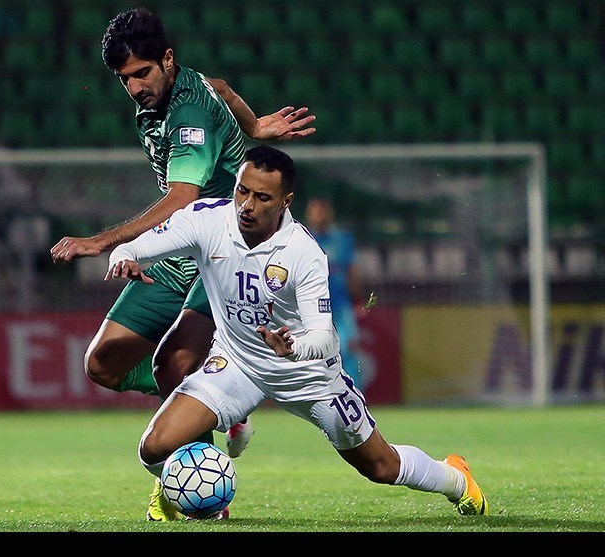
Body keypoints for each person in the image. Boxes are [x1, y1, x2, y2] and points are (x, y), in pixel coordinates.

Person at [106, 145, 490, 519]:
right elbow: (144, 245)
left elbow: (324, 337)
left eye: (262, 197)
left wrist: (294, 347)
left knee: (380, 466)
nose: (247, 205)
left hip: (307, 374)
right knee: (153, 449)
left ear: (285, 201)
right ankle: (192, 485)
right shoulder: (207, 220)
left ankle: (456, 478)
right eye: (242, 191)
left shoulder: (303, 253)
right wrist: (124, 256)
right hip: (237, 364)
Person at [49, 7, 316, 521]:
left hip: (224, 254)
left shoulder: (188, 112)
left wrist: (103, 242)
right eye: (124, 78)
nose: (134, 87)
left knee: (172, 363)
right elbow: (223, 87)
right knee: (102, 364)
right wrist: (254, 125)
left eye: (142, 73)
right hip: (181, 251)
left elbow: (181, 198)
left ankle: (196, 488)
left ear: (167, 60)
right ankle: (220, 406)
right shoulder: (177, 89)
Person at [305, 197, 365, 388]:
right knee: (315, 353)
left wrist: (357, 300)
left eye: (322, 211)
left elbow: (352, 270)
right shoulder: (303, 239)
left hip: (340, 306)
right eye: (315, 211)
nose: (319, 215)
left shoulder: (343, 239)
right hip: (312, 308)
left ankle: (354, 394)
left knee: (348, 350)